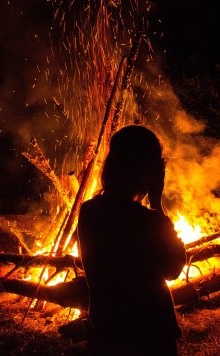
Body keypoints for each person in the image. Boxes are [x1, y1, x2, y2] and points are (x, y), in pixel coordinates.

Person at [77, 125, 186, 355]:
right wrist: (157, 203)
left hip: (105, 332)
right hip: (150, 337)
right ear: (146, 170)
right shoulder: (149, 221)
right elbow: (174, 269)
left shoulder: (89, 211)